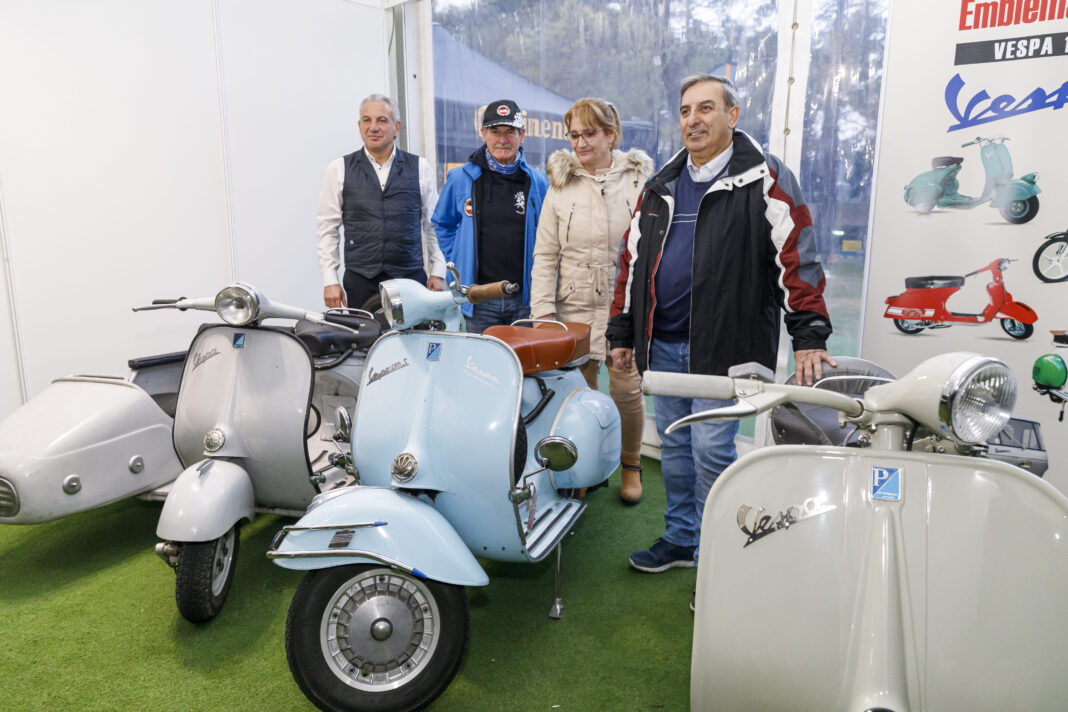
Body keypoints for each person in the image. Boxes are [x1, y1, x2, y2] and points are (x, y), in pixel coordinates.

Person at [606, 74, 836, 584]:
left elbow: (797, 257)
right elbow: (632, 263)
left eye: (706, 108)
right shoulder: (660, 185)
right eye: (686, 110)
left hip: (726, 348)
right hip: (664, 346)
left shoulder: (765, 178)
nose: (694, 120)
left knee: (712, 452)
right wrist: (622, 333)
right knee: (675, 448)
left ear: (732, 115)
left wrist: (809, 335)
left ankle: (718, 561)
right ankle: (682, 538)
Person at [530, 98, 653, 505]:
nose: (580, 143)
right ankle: (584, 466)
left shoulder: (638, 181)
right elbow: (545, 255)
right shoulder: (560, 184)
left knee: (627, 389)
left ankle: (631, 464)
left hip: (622, 304)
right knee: (579, 392)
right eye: (574, 135)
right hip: (573, 303)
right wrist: (543, 313)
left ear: (610, 135)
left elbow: (651, 251)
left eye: (589, 133)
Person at [316, 93, 446, 311]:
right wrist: (330, 280)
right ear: (359, 126)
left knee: (414, 334)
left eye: (382, 120)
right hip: (361, 280)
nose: (373, 127)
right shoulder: (338, 169)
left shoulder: (420, 168)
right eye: (367, 120)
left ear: (397, 127)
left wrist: (438, 271)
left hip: (410, 278)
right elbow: (327, 228)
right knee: (364, 334)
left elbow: (434, 224)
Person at [433, 99, 548, 333]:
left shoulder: (537, 182)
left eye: (510, 132)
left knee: (523, 357)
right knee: (478, 356)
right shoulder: (461, 178)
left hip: (524, 302)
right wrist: (457, 260)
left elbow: (549, 237)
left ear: (522, 135)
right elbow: (442, 224)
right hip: (478, 299)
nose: (502, 139)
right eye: (495, 131)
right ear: (483, 133)